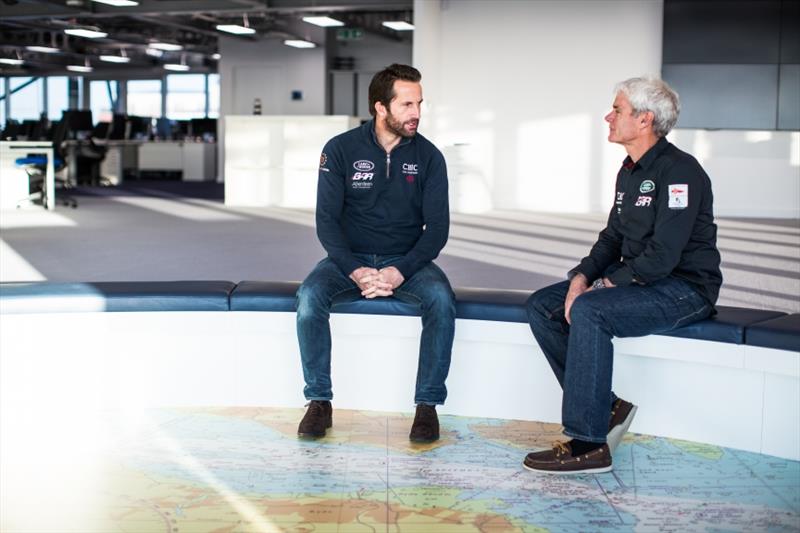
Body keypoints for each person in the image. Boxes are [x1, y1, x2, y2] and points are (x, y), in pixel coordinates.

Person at [523, 77, 723, 474]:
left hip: (684, 288)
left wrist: (605, 286)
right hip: (644, 281)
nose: (607, 117)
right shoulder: (630, 170)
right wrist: (581, 277)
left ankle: (589, 443)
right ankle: (609, 407)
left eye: (617, 110)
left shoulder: (681, 172)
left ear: (645, 119)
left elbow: (663, 257)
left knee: (591, 311)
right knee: (543, 305)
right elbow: (612, 237)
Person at [295, 64, 455, 443]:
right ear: (380, 107)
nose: (416, 112)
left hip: (408, 260)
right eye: (406, 104)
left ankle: (427, 406)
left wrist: (401, 270)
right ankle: (319, 400)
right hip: (348, 260)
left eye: (419, 103)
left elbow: (438, 231)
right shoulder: (339, 150)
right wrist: (355, 270)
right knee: (309, 298)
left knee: (441, 300)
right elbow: (326, 223)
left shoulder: (430, 157)